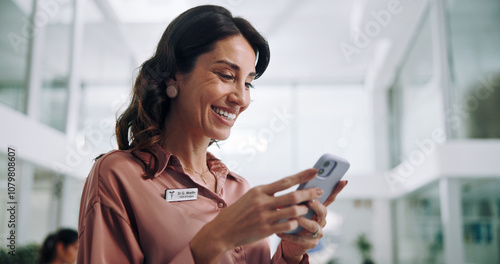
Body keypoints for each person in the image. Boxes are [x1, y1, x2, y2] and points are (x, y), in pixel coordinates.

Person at [77, 5, 347, 264]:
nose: (241, 98)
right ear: (173, 76)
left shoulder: (238, 189)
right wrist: (216, 238)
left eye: (248, 83)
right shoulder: (118, 175)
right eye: (227, 75)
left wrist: (290, 254)